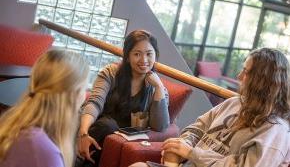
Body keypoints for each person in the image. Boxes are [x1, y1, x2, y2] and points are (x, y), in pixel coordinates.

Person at [130, 48, 290, 167]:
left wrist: (191, 153)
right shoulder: (234, 103)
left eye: (246, 72)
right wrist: (179, 148)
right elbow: (196, 128)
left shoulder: (276, 130)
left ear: (262, 82)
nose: (239, 76)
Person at [76, 30, 170, 166]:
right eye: (137, 54)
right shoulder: (110, 73)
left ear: (155, 56)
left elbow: (160, 126)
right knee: (108, 125)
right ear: (127, 56)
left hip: (118, 141)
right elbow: (94, 102)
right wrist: (83, 133)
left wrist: (159, 88)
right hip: (95, 129)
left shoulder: (157, 87)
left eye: (149, 54)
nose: (144, 60)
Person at [0, 50, 89, 167]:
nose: (86, 95)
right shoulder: (42, 150)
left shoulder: (17, 126)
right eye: (84, 89)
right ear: (74, 94)